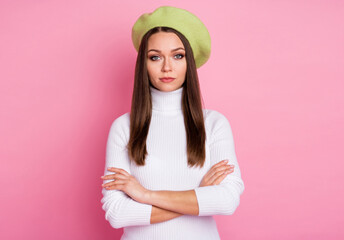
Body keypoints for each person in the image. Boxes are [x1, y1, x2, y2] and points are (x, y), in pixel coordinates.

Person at [100, 6, 245, 240]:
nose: (167, 67)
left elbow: (227, 201)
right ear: (143, 65)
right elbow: (117, 214)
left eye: (178, 55)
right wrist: (199, 196)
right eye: (155, 57)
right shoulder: (123, 127)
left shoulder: (214, 124)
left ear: (189, 61)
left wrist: (144, 194)